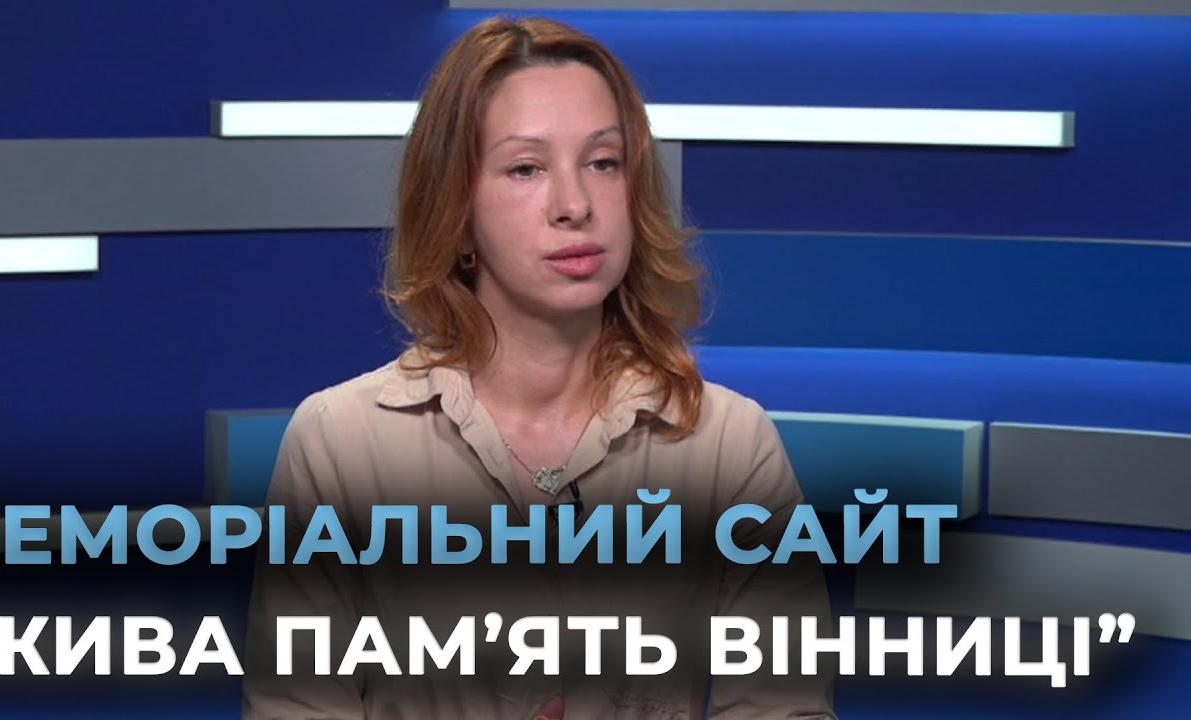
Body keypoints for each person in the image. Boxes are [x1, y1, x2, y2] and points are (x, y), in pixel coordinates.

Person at [243, 16, 835, 720]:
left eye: (603, 162)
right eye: (526, 168)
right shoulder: (340, 445)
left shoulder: (728, 445)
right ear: (457, 213)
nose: (575, 206)